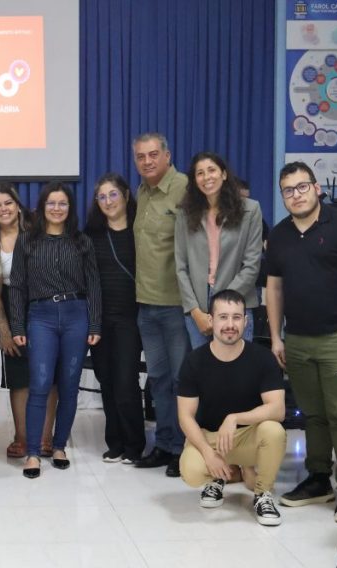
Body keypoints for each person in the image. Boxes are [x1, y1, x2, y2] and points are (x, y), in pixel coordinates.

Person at [266, 161, 337, 523]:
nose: (296, 195)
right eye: (288, 190)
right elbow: (274, 288)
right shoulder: (280, 235)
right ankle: (318, 478)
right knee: (312, 415)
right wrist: (276, 336)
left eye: (302, 187)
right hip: (297, 339)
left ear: (317, 188)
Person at [9, 182, 102, 479]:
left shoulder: (82, 241)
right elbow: (17, 285)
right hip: (41, 317)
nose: (57, 208)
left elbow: (94, 285)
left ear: (70, 208)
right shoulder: (27, 241)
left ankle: (60, 446)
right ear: (42, 207)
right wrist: (17, 324)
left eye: (63, 203)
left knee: (69, 385)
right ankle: (33, 452)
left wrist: (95, 323)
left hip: (77, 315)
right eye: (51, 203)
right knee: (39, 383)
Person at [177, 290, 286, 526]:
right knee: (191, 471)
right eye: (223, 317)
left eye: (236, 317)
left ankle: (263, 494)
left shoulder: (262, 358)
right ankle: (218, 478)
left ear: (245, 321)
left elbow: (278, 410)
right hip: (211, 438)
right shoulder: (194, 361)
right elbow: (185, 416)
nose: (230, 325)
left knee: (273, 431)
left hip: (247, 436)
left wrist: (235, 418)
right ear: (211, 320)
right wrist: (207, 453)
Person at [0, 182, 58, 459]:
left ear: (17, 205)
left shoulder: (36, 232)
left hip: (42, 304)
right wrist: (4, 331)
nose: (3, 209)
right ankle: (23, 438)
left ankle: (46, 438)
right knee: (19, 376)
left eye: (8, 203)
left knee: (47, 374)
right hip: (9, 308)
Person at [131, 132, 190, 477]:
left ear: (167, 155)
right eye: (141, 156)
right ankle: (165, 443)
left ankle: (184, 448)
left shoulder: (184, 188)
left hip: (177, 305)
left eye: (153, 154)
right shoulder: (142, 191)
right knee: (159, 379)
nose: (147, 161)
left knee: (182, 381)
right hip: (146, 305)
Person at [85, 173, 146, 465]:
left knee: (126, 382)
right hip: (100, 320)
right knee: (106, 380)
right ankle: (115, 442)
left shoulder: (140, 230)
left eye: (113, 195)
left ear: (126, 195)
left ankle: (134, 445)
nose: (108, 201)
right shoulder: (91, 236)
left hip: (131, 318)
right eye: (102, 197)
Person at [175, 152, 263, 347]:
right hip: (198, 310)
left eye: (212, 170)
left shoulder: (250, 210)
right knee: (203, 366)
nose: (206, 177)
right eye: (200, 173)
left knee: (237, 365)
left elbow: (251, 264)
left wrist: (222, 307)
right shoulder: (184, 213)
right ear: (194, 180)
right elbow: (180, 267)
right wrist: (194, 310)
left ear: (223, 174)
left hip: (237, 303)